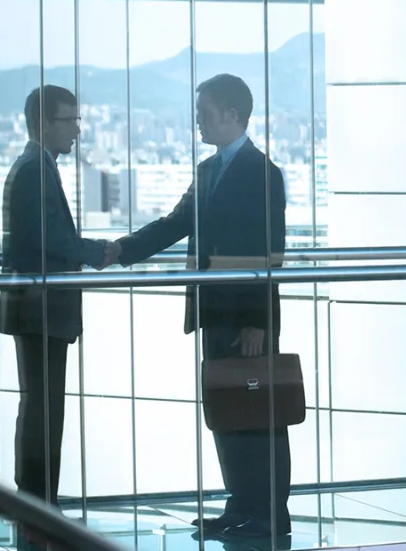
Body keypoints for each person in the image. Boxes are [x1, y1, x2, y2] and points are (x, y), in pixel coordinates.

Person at [113, 73, 289, 547]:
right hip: (213, 311)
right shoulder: (210, 170)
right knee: (227, 412)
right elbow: (176, 224)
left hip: (247, 318)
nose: (198, 122)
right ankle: (241, 506)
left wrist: (259, 321)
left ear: (233, 115)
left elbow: (270, 251)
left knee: (258, 417)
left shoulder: (262, 171)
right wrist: (120, 250)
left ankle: (269, 513)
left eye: (205, 113)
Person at [0, 85, 115, 509]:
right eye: (71, 121)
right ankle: (37, 500)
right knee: (43, 409)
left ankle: (37, 499)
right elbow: (52, 240)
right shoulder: (35, 169)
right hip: (38, 308)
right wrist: (100, 251)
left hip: (36, 307)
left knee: (42, 406)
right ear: (45, 124)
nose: (78, 131)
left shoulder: (38, 165)